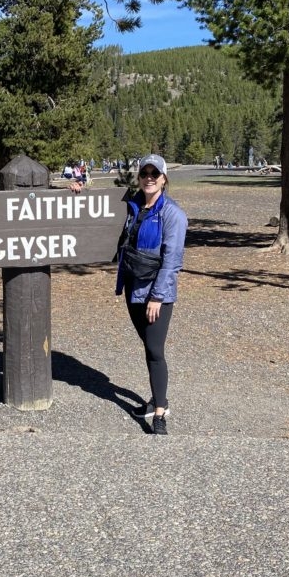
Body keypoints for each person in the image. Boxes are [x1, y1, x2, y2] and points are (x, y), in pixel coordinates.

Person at [75, 152, 187, 435]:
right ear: (139, 177)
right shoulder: (132, 204)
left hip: (155, 293)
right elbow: (98, 210)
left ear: (164, 179)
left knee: (154, 350)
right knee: (148, 346)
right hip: (132, 288)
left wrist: (157, 297)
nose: (149, 178)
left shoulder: (172, 214)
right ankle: (156, 398)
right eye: (144, 174)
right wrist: (79, 192)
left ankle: (160, 412)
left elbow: (172, 260)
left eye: (154, 174)